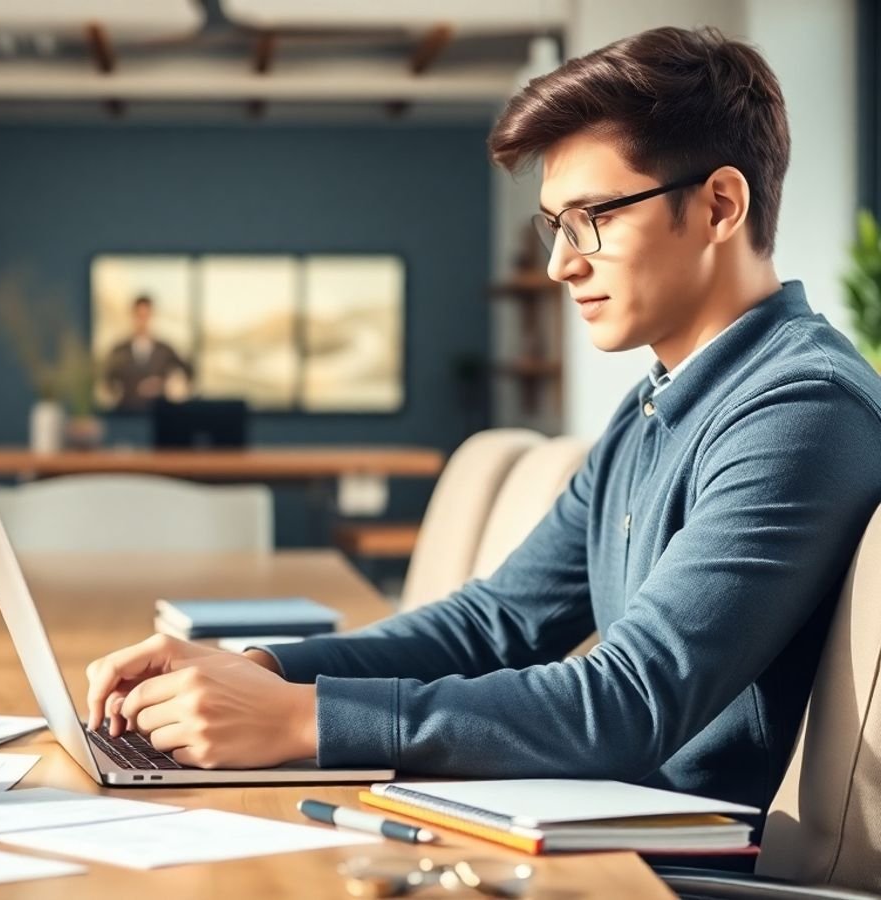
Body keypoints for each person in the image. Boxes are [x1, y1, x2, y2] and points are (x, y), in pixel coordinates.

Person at [84, 26, 881, 823]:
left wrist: (301, 719)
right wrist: (260, 671)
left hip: (657, 863)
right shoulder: (655, 407)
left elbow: (629, 705)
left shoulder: (799, 410)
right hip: (578, 821)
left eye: (591, 217)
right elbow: (496, 624)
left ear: (719, 206)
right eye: (554, 225)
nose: (560, 263)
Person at [102, 294, 192, 411]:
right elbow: (107, 380)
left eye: (146, 316)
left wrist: (165, 385)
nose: (143, 321)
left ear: (152, 316)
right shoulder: (120, 350)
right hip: (127, 414)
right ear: (132, 316)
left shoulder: (164, 350)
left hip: (159, 416)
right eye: (139, 316)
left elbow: (187, 373)